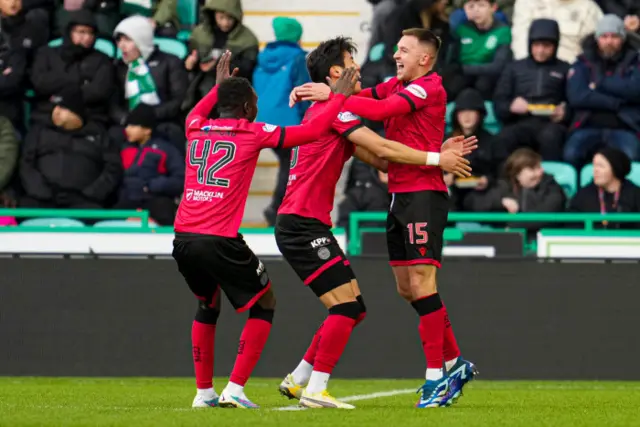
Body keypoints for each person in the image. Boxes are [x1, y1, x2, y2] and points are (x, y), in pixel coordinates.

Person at [275, 36, 476, 409]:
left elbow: (382, 153)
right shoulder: (342, 110)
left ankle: (438, 375)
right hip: (310, 220)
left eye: (403, 49)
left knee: (406, 289)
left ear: (425, 57)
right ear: (338, 71)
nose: (393, 54)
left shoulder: (422, 86)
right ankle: (450, 363)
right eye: (353, 60)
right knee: (376, 299)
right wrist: (435, 157)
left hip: (414, 196)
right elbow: (382, 142)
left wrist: (436, 154)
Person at [171, 52, 358, 409]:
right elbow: (315, 131)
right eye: (254, 102)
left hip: (183, 237)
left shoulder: (195, 127)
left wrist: (219, 89)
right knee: (264, 303)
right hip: (219, 238)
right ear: (245, 106)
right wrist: (339, 98)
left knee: (207, 306)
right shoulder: (252, 132)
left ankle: (204, 393)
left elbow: (198, 110)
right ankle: (235, 389)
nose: (258, 108)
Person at [19, 87, 122, 210]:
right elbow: (26, 163)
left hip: (85, 202)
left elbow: (113, 168)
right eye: (55, 107)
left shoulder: (99, 134)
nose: (56, 112)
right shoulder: (39, 131)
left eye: (62, 108)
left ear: (76, 112)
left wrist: (90, 193)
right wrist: (41, 192)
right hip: (42, 200)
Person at [253, 16, 311, 226]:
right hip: (289, 123)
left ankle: (281, 210)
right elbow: (304, 92)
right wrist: (309, 120)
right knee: (292, 164)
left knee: (289, 163)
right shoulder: (299, 58)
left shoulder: (263, 57)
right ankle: (278, 210)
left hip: (262, 121)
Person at [563, 14, 640, 170]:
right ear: (597, 38)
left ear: (623, 38)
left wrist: (598, 85)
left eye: (614, 36)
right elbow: (577, 97)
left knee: (632, 156)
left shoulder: (635, 61)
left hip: (624, 126)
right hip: (587, 124)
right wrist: (615, 102)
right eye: (604, 36)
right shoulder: (583, 62)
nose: (609, 41)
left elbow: (635, 90)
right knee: (571, 154)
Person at [493, 18, 570, 161]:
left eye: (546, 46)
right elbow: (499, 102)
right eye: (536, 45)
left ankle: (549, 181)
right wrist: (511, 107)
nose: (541, 50)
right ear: (530, 44)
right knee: (503, 139)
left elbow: (574, 102)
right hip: (520, 122)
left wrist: (565, 113)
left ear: (555, 46)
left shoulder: (565, 69)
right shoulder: (514, 68)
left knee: (551, 137)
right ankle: (503, 181)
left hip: (551, 123)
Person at [111, 16, 188, 152]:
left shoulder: (170, 62)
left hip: (162, 122)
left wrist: (148, 117)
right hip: (128, 124)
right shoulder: (119, 67)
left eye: (128, 40)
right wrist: (126, 119)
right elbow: (112, 102)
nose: (121, 45)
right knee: (113, 136)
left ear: (141, 40)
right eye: (119, 39)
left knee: (172, 135)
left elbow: (178, 100)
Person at [31, 9, 115, 126]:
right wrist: (78, 82)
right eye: (81, 32)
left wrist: (59, 93)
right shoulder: (47, 53)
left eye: (91, 33)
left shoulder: (102, 60)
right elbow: (39, 82)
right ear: (69, 32)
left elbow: (98, 91)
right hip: (47, 115)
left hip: (87, 117)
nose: (86, 38)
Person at [115, 103, 184, 226]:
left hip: (155, 198)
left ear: (147, 130)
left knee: (165, 213)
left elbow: (181, 178)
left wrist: (155, 185)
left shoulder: (165, 149)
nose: (127, 129)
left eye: (133, 126)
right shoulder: (123, 148)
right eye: (127, 125)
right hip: (127, 199)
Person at [470, 148, 567, 234]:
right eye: (533, 169)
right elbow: (476, 204)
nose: (540, 171)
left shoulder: (551, 187)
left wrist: (514, 225)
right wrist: (500, 202)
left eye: (539, 167)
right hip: (508, 243)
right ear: (518, 174)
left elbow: (545, 215)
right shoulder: (505, 186)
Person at [444, 0, 512, 100]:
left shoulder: (503, 31)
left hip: (488, 76)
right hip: (463, 75)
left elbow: (498, 66)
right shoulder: (461, 29)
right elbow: (452, 61)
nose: (476, 10)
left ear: (493, 8)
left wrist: (464, 69)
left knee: (483, 84)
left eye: (481, 5)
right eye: (471, 6)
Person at [188, 0, 259, 80]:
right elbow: (190, 57)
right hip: (202, 85)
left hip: (232, 85)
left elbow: (247, 69)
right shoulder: (199, 34)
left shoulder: (248, 39)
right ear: (213, 14)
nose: (225, 23)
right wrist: (190, 63)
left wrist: (218, 66)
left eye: (230, 18)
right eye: (221, 17)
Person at [569, 147, 640, 227]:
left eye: (601, 166)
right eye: (594, 165)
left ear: (615, 168)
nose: (595, 170)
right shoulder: (583, 195)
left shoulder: (635, 194)